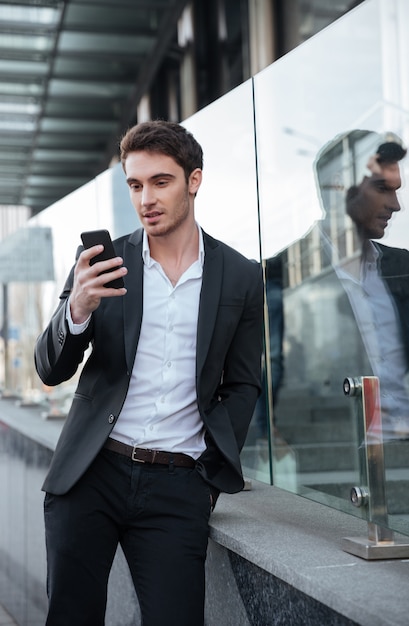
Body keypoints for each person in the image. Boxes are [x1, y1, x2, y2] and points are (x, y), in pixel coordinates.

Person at [34, 120, 264, 626]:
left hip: (177, 485)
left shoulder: (240, 275)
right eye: (135, 185)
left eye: (161, 182)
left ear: (194, 180)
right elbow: (49, 369)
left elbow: (244, 382)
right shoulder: (103, 262)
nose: (146, 199)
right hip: (91, 474)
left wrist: (210, 470)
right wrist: (77, 310)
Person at [315, 130, 409, 441]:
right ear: (340, 185)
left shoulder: (404, 268)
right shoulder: (279, 275)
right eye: (383, 188)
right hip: (335, 458)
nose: (396, 205)